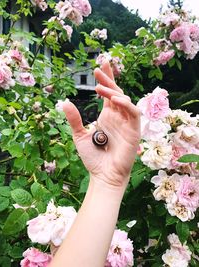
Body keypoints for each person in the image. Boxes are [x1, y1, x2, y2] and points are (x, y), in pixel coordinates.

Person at [49, 61, 141, 267]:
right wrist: (107, 183)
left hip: (107, 177)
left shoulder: (104, 149)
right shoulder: (100, 139)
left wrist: (108, 183)